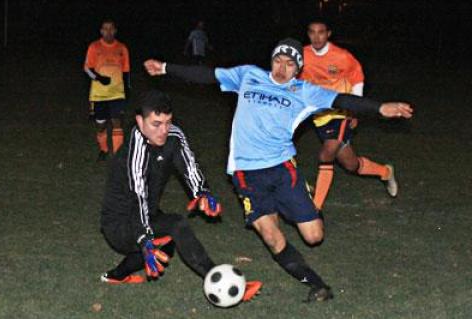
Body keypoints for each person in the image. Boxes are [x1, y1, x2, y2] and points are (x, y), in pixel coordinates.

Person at [143, 38, 413, 301]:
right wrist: (167, 68)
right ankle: (316, 284)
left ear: (298, 69)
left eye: (289, 64)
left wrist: (380, 108)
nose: (281, 68)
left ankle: (298, 199)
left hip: (283, 170)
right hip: (246, 173)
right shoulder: (248, 75)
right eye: (277, 60)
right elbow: (208, 75)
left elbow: (343, 100)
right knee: (272, 237)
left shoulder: (305, 91)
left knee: (314, 236)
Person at [99, 89, 262, 301]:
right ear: (140, 121)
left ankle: (116, 276)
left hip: (146, 213)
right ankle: (220, 281)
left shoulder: (173, 136)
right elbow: (137, 196)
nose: (163, 131)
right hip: (118, 223)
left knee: (166, 245)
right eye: (156, 124)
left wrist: (202, 192)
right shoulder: (135, 147)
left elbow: (189, 167)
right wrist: (144, 238)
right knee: (175, 226)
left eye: (167, 122)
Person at [299, 18, 398, 211]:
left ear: (328, 34)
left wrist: (355, 109)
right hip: (319, 116)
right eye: (312, 32)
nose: (316, 36)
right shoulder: (302, 55)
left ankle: (315, 208)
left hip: (341, 112)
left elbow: (357, 78)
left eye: (321, 32)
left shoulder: (342, 57)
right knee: (350, 164)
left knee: (326, 153)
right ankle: (385, 172)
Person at [84, 19, 130, 161]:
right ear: (101, 31)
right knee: (101, 125)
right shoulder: (94, 47)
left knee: (117, 122)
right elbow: (87, 68)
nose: (108, 31)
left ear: (115, 30)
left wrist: (127, 88)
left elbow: (126, 70)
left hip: (117, 92)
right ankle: (104, 149)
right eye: (105, 29)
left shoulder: (122, 48)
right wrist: (99, 78)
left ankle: (118, 155)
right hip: (99, 94)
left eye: (111, 29)